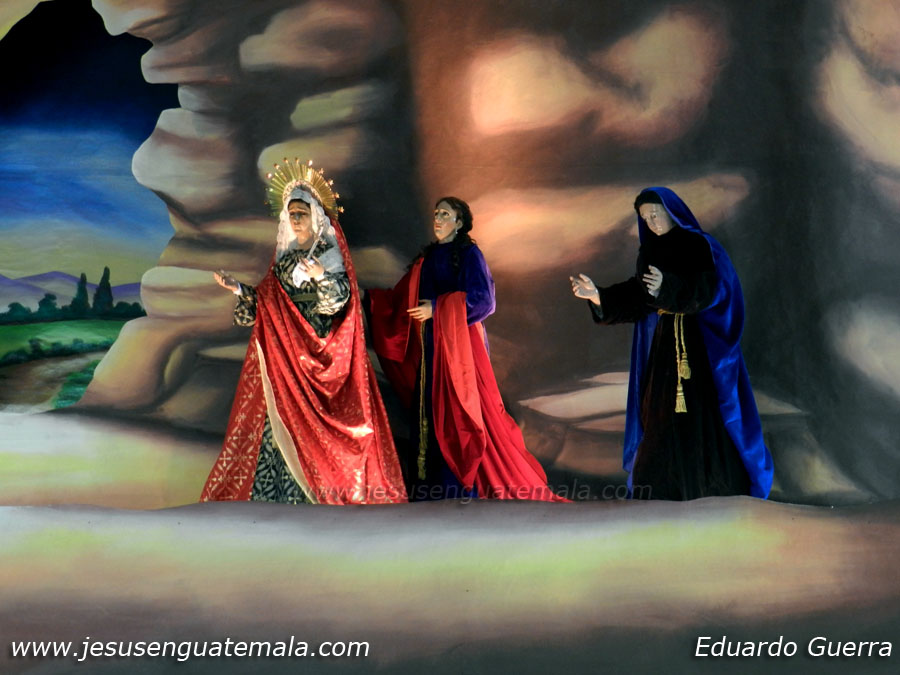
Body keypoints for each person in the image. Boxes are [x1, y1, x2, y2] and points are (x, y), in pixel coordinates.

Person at [200, 159, 406, 505]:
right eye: (291, 213)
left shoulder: (329, 254)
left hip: (321, 345)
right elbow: (267, 301)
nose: (295, 219)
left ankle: (324, 494)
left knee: (324, 421)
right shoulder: (284, 259)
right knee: (279, 415)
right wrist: (239, 289)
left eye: (301, 213)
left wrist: (321, 277)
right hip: (286, 353)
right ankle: (278, 497)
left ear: (315, 216)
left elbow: (342, 302)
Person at [570, 187, 773, 500]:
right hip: (665, 348)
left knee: (704, 414)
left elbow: (712, 290)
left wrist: (668, 287)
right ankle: (663, 490)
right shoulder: (651, 251)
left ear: (672, 211)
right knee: (660, 414)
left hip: (700, 345)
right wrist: (599, 296)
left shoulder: (701, 246)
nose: (651, 222)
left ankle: (709, 487)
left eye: (655, 214)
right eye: (645, 218)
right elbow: (637, 296)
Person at [367, 196, 563, 502]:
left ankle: (461, 485)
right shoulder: (426, 259)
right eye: (436, 213)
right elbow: (399, 299)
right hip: (430, 350)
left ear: (459, 223)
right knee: (432, 412)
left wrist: (437, 308)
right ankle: (433, 489)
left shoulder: (469, 254)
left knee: (461, 410)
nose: (438, 218)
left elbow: (484, 301)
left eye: (445, 214)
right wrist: (365, 299)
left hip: (460, 350)